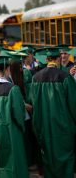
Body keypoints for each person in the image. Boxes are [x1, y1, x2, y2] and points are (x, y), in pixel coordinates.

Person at [29, 48, 76, 178]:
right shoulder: (65, 77)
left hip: (43, 127)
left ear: (46, 59)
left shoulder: (35, 78)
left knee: (48, 162)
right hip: (63, 128)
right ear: (58, 59)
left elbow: (33, 103)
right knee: (65, 163)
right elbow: (73, 105)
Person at [0, 55, 29, 178]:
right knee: (13, 163)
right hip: (11, 132)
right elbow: (19, 115)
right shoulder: (12, 89)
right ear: (7, 69)